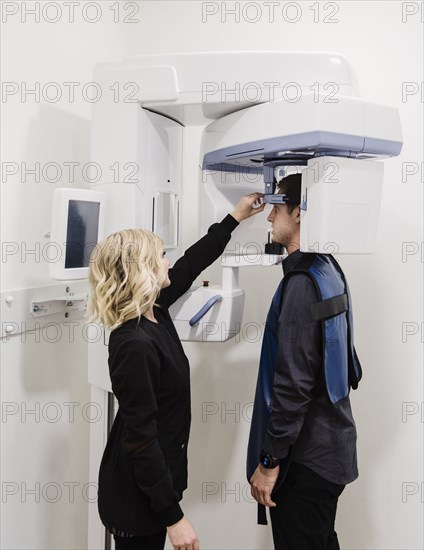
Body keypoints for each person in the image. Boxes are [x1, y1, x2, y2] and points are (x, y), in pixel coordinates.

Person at [88, 193, 264, 550]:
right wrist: (174, 517)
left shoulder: (155, 310)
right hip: (135, 498)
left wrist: (235, 217)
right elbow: (140, 439)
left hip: (154, 486)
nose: (168, 263)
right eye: (161, 257)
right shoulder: (133, 342)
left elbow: (190, 264)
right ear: (143, 270)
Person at [247, 174, 362, 550]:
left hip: (307, 460)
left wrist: (269, 462)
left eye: (276, 209)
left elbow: (293, 385)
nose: (269, 219)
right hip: (334, 448)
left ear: (299, 213)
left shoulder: (300, 284)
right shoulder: (327, 268)